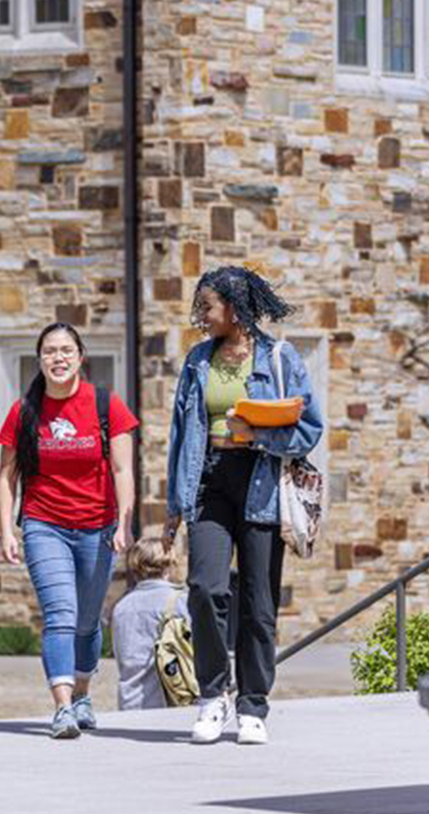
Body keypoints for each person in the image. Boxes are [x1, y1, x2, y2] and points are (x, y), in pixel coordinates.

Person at [164, 266, 324, 746]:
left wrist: (259, 433)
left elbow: (309, 428)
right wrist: (174, 504)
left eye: (208, 307)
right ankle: (212, 697)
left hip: (261, 483)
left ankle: (253, 705)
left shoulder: (279, 358)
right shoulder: (197, 361)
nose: (202, 316)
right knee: (205, 588)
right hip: (209, 482)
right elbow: (179, 433)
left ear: (234, 308)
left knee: (258, 602)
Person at [0, 322, 137, 739]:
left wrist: (124, 521)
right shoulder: (24, 412)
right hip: (44, 524)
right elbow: (7, 477)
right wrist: (6, 529)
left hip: (97, 526)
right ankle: (61, 708)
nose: (58, 358)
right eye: (49, 352)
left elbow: (124, 468)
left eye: (65, 351)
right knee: (60, 614)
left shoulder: (106, 406)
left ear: (80, 357)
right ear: (40, 360)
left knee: (88, 622)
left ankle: (82, 693)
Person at [111, 536, 189, 711]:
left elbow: (120, 656)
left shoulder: (121, 607)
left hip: (130, 702)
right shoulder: (182, 601)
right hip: (174, 703)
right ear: (169, 564)